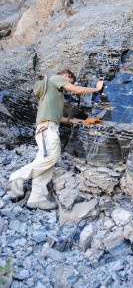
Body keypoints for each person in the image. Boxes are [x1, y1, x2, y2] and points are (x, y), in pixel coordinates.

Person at [8, 69, 104, 210]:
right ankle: (17, 177)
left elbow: (58, 117)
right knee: (51, 157)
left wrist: (75, 120)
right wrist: (97, 88)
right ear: (66, 76)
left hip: (46, 127)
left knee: (47, 162)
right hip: (48, 129)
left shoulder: (52, 94)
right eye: (68, 82)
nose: (67, 88)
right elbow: (76, 90)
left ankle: (37, 198)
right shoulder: (54, 79)